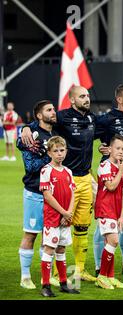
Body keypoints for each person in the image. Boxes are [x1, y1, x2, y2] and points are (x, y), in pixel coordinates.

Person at [22, 86, 99, 282]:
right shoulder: (62, 118)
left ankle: (79, 271)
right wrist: (26, 127)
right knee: (48, 231)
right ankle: (45, 275)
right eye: (82, 96)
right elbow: (36, 127)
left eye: (88, 95)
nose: (87, 99)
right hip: (58, 183)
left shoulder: (92, 118)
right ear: (72, 100)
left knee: (80, 227)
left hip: (82, 178)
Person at [94, 84, 123, 277]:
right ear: (119, 99)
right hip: (111, 176)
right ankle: (98, 267)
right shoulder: (106, 119)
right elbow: (88, 135)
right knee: (102, 227)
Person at [17, 100, 56, 289]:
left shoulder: (55, 134)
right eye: (49, 110)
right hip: (34, 192)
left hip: (53, 195)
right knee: (31, 235)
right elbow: (30, 167)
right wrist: (48, 156)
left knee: (48, 238)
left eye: (54, 109)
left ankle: (45, 277)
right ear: (39, 115)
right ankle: (25, 276)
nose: (54, 112)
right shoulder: (31, 135)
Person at [39, 136, 79, 297]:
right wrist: (63, 212)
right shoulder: (46, 170)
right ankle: (46, 285)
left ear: (66, 151)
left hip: (65, 218)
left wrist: (68, 213)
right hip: (52, 218)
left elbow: (72, 194)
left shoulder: (68, 171)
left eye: (62, 150)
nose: (59, 154)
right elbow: (47, 195)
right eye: (55, 151)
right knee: (49, 249)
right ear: (49, 153)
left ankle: (63, 283)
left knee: (62, 248)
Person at [94, 135, 123, 290]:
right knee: (113, 241)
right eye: (118, 148)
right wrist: (121, 170)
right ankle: (101, 276)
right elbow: (112, 186)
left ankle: (110, 277)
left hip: (115, 211)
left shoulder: (122, 170)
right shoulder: (104, 166)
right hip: (105, 208)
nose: (121, 152)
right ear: (110, 149)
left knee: (111, 243)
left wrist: (121, 216)